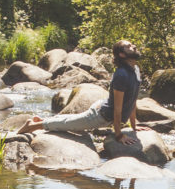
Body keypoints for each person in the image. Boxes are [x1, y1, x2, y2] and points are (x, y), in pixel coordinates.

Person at [15, 40, 144, 139]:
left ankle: (41, 120)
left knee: (73, 120)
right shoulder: (121, 75)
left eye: (132, 45)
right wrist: (119, 135)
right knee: (68, 124)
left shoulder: (135, 70)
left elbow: (132, 100)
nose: (134, 46)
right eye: (129, 46)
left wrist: (134, 126)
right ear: (122, 54)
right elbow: (117, 108)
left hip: (105, 108)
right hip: (102, 115)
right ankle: (33, 126)